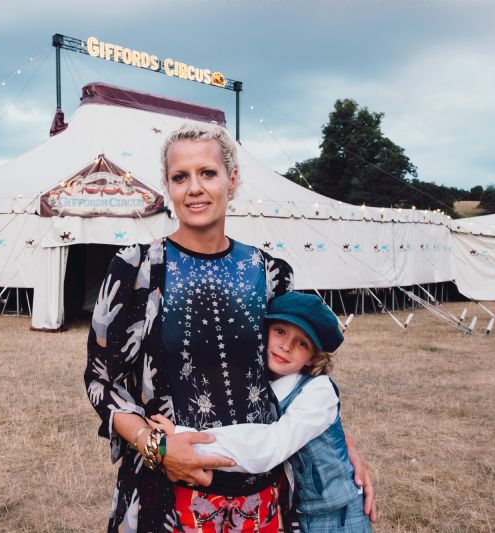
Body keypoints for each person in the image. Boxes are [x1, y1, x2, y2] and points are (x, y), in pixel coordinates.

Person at [85, 123, 373, 532]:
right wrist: (158, 448)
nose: (194, 188)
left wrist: (344, 449)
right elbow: (101, 380)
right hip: (168, 497)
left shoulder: (271, 273)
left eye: (208, 173)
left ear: (231, 179)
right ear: (168, 187)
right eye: (180, 177)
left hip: (264, 499)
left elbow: (301, 374)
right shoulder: (135, 270)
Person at [150, 292, 373, 532]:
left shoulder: (319, 391)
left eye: (302, 343)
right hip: (297, 511)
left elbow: (268, 446)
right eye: (280, 331)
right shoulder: (260, 386)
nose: (286, 346)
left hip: (336, 515)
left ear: (312, 358)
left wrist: (185, 439)